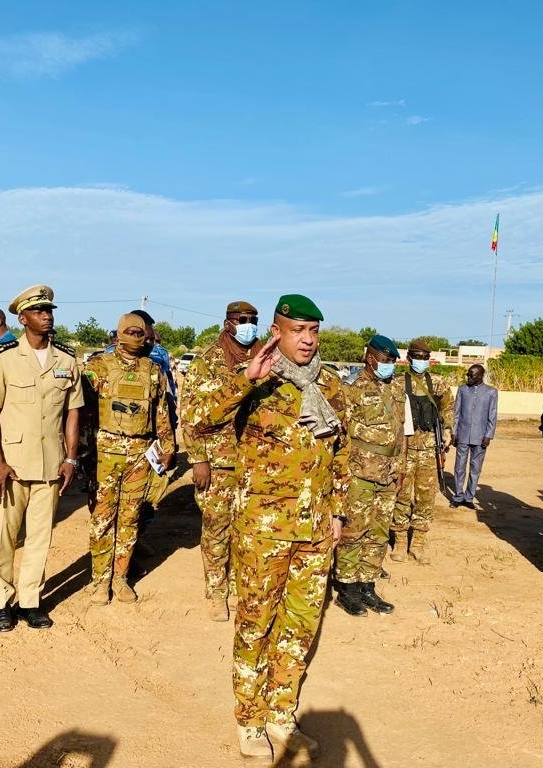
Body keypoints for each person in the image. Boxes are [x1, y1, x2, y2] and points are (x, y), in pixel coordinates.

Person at [199, 294, 349, 761]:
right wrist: (246, 380)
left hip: (316, 529)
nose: (307, 340)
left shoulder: (328, 385)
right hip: (263, 529)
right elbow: (199, 422)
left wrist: (339, 511)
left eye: (314, 332)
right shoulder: (254, 378)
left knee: (301, 626)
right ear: (277, 333)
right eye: (298, 330)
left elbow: (341, 450)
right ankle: (249, 720)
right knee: (256, 624)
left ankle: (282, 717)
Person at [0, 285, 82, 632]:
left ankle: (31, 600)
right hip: (12, 466)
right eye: (39, 311)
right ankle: (2, 602)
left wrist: (71, 459)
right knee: (5, 535)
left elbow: (72, 414)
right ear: (23, 318)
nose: (47, 316)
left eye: (49, 310)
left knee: (40, 537)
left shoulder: (66, 361)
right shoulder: (4, 357)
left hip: (50, 464)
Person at [82, 312, 175, 605]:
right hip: (105, 453)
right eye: (131, 332)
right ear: (120, 333)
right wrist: (81, 454)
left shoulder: (152, 370)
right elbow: (83, 411)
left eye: (141, 333)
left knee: (130, 518)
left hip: (139, 453)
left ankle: (120, 579)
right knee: (102, 519)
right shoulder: (98, 367)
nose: (137, 337)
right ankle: (99, 581)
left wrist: (168, 447)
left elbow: (161, 412)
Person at [180, 300, 262, 622]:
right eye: (243, 319)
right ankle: (216, 591)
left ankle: (242, 586)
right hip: (218, 459)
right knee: (217, 528)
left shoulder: (264, 358)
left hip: (257, 460)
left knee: (249, 528)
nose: (249, 324)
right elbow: (191, 415)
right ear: (228, 322)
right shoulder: (207, 362)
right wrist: (198, 459)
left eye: (254, 319)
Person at [334, 334, 405, 617]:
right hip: (359, 473)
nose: (390, 367)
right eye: (387, 361)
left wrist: (400, 469)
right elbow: (340, 433)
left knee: (378, 532)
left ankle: (367, 584)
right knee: (354, 532)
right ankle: (347, 589)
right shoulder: (351, 387)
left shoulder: (395, 389)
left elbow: (400, 433)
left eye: (393, 362)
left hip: (387, 474)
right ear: (370, 358)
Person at [391, 339, 453, 565]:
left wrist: (447, 430)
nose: (420, 361)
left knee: (426, 496)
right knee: (401, 495)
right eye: (416, 356)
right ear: (408, 358)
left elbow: (448, 407)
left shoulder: (438, 383)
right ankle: (399, 541)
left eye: (424, 357)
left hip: (428, 448)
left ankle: (418, 543)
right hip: (404, 448)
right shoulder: (397, 382)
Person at [450, 364, 498, 509]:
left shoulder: (491, 392)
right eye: (468, 374)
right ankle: (458, 496)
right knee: (459, 467)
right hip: (462, 435)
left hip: (480, 436)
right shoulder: (463, 389)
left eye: (472, 375)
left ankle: (469, 497)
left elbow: (492, 415)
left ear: (480, 376)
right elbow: (456, 413)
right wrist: (454, 432)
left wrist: (488, 435)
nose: (468, 377)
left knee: (475, 468)